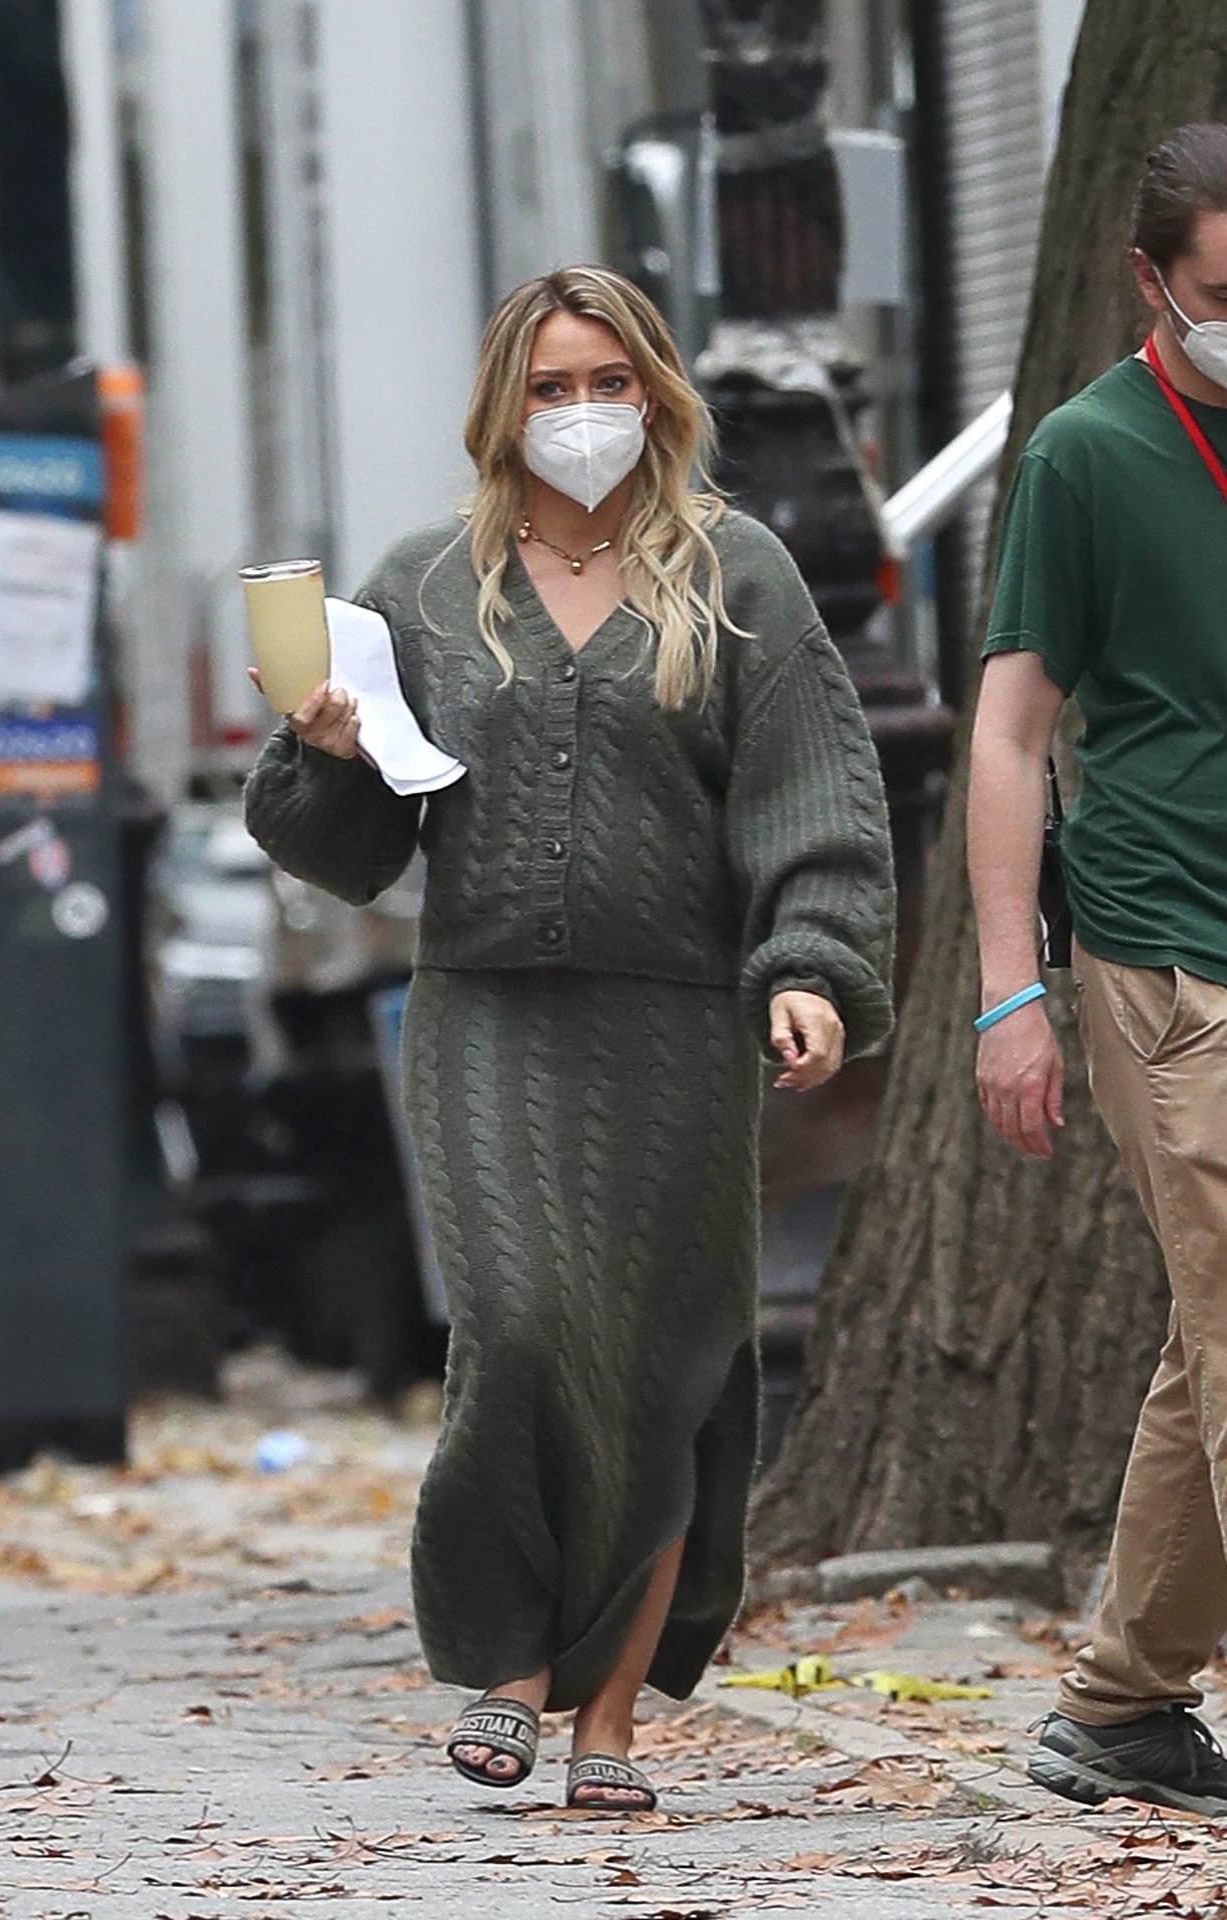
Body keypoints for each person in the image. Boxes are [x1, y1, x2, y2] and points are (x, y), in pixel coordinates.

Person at [243, 265, 896, 1811]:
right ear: (502, 406)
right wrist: (324, 751)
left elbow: (811, 797)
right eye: (550, 387)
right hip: (485, 1017)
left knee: (665, 1362)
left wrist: (809, 967)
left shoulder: (737, 575)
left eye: (609, 382)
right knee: (522, 1329)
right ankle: (507, 1664)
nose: (583, 412)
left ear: (656, 396)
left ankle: (607, 1725)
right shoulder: (421, 584)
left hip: (677, 1025)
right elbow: (348, 851)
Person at [968, 123, 1227, 1815]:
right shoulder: (1085, 454)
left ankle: (1121, 1706)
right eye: (1225, 292)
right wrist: (1011, 991)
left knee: (1212, 1335)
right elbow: (1007, 734)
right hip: (1166, 949)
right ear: (1150, 279)